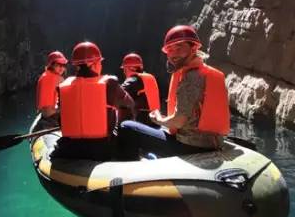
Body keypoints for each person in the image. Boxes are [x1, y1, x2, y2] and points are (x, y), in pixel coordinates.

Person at [118, 25, 230, 159]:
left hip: (190, 147)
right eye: (170, 50)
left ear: (193, 47)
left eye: (179, 48)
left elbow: (179, 122)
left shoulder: (191, 77)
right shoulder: (206, 72)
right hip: (211, 142)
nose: (174, 54)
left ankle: (129, 172)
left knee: (127, 127)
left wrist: (158, 118)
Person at [53, 41, 135, 160]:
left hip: (68, 149)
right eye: (100, 62)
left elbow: (61, 120)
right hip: (101, 150)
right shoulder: (109, 83)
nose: (101, 66)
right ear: (93, 64)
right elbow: (130, 104)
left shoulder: (62, 87)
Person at [119, 53, 160, 126]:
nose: (124, 72)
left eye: (125, 69)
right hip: (154, 120)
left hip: (143, 123)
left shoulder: (134, 79)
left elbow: (118, 93)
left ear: (131, 68)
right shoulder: (147, 77)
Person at [35, 51, 68, 127]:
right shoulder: (59, 79)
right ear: (52, 65)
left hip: (44, 114)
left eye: (63, 65)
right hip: (52, 116)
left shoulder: (44, 75)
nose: (62, 68)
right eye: (58, 65)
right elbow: (67, 101)